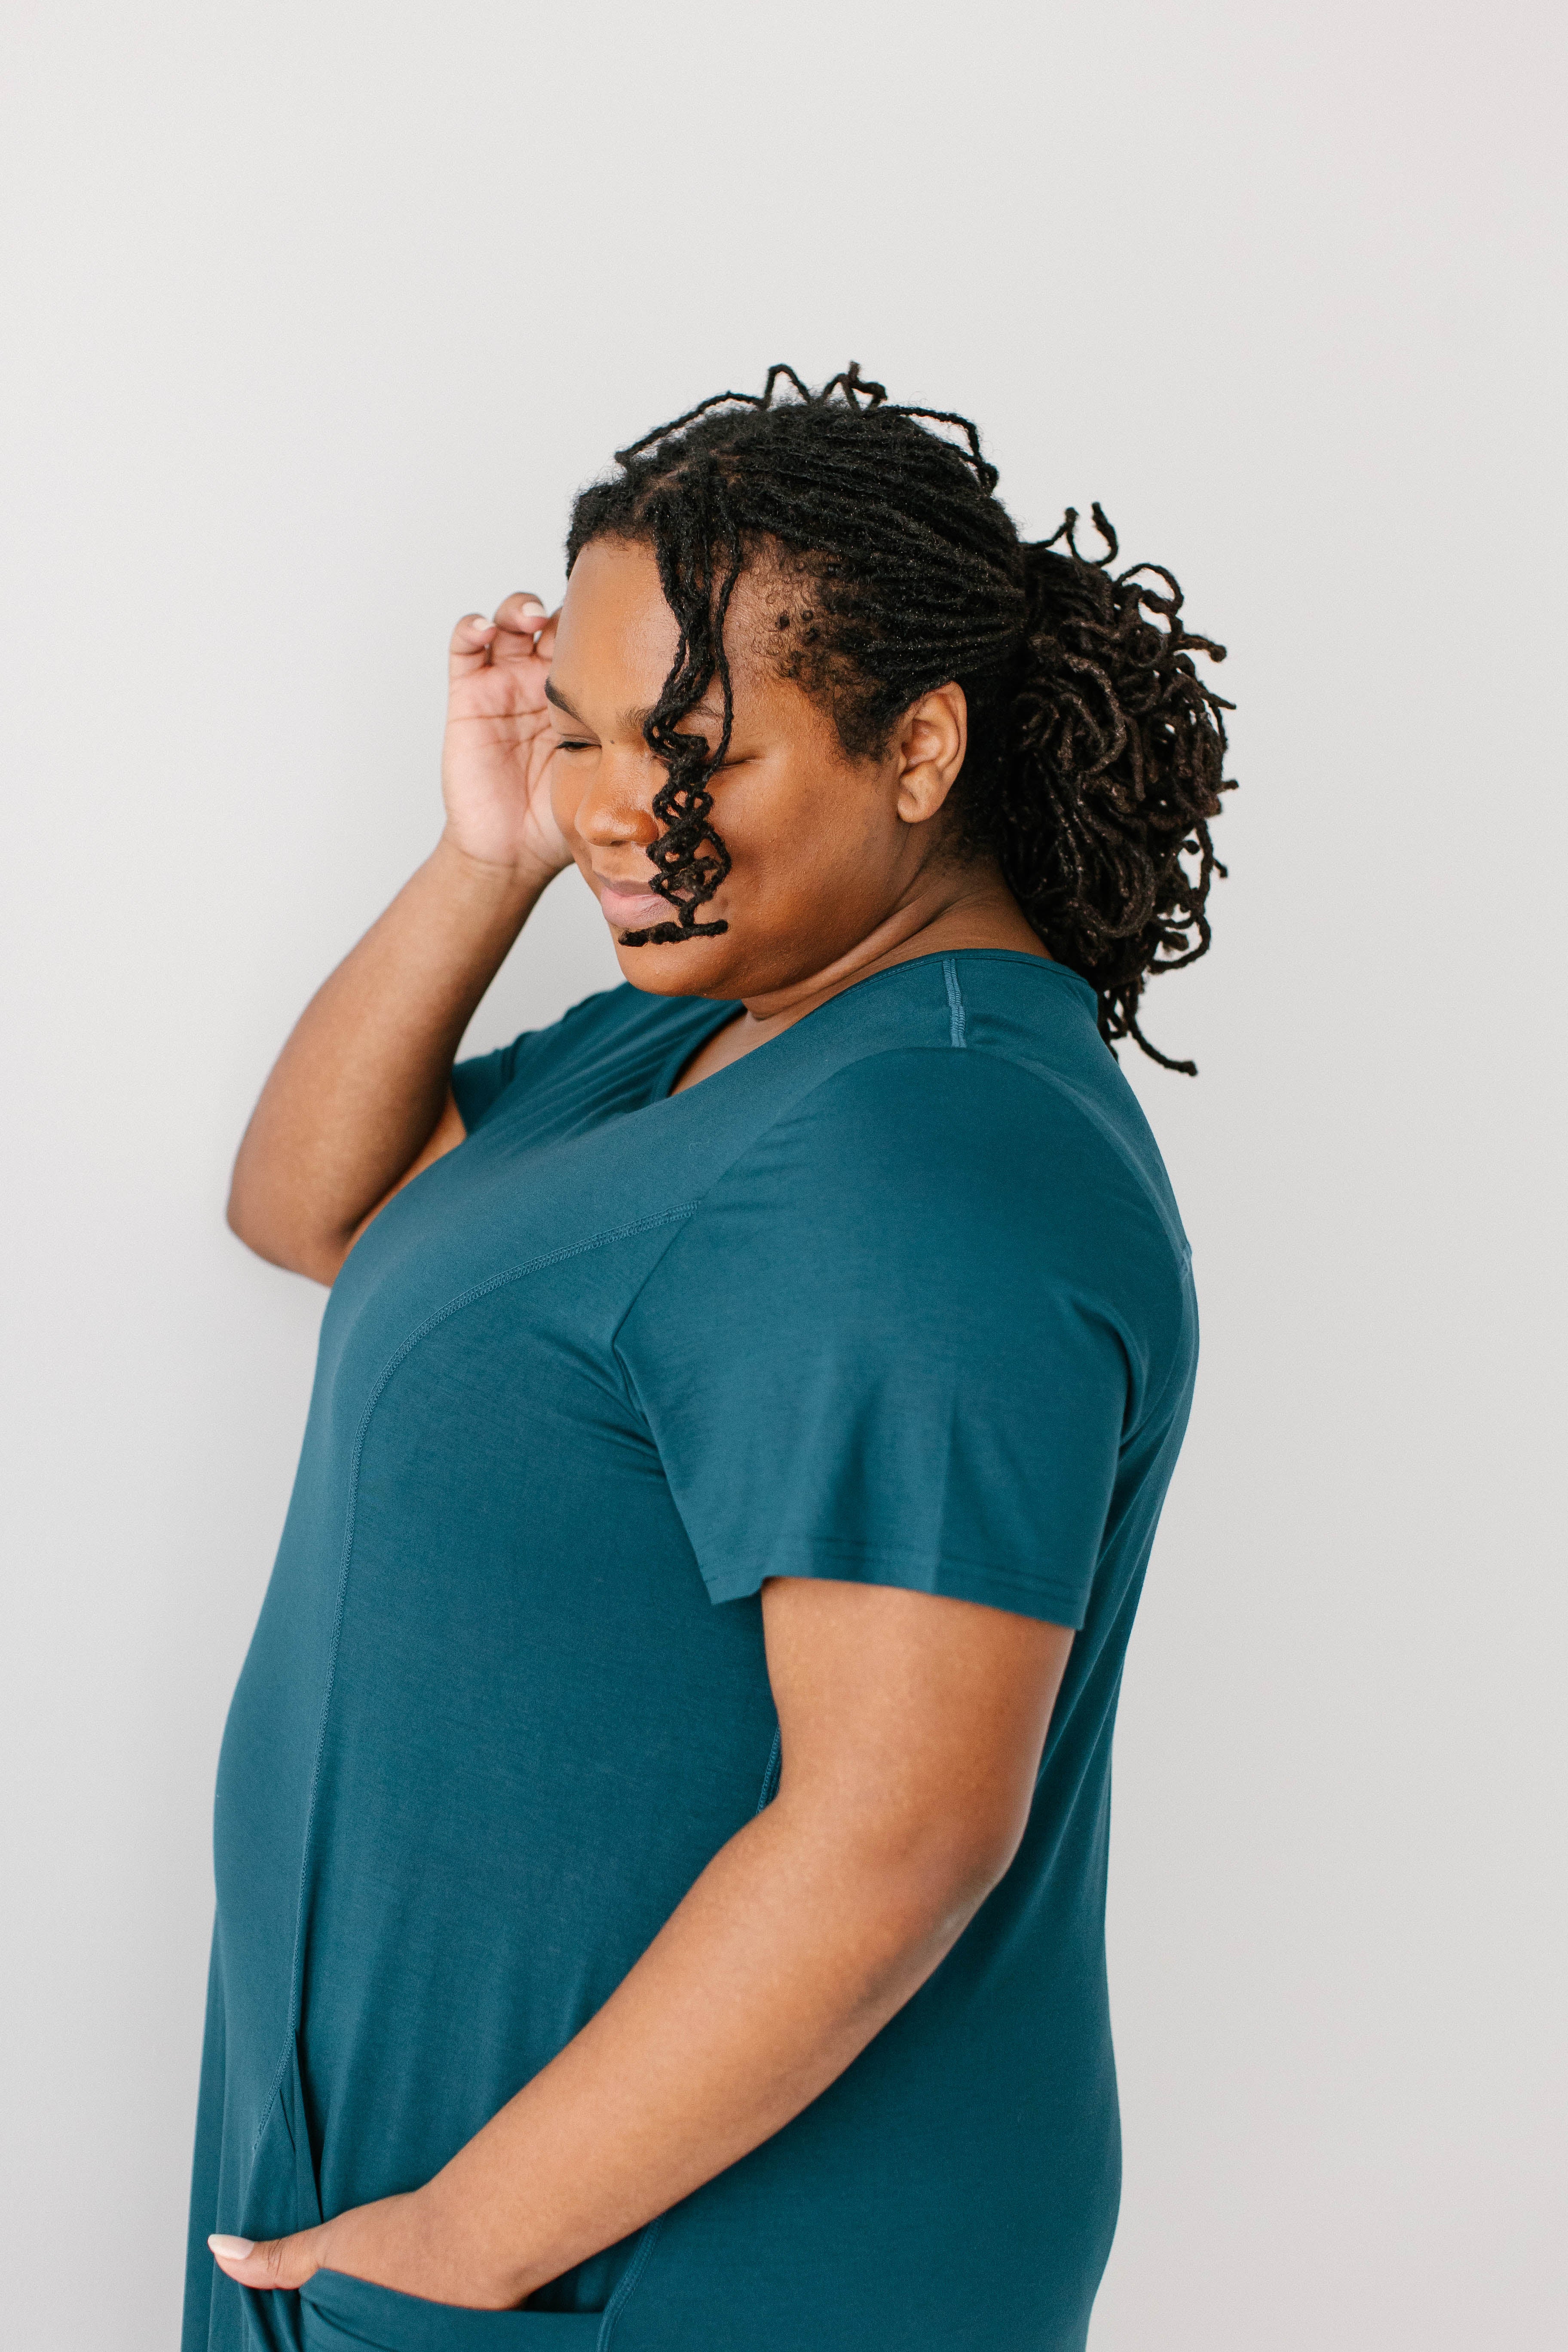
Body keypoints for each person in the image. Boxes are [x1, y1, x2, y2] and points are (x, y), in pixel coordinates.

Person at [187, 363, 1234, 2352]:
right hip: (505, 2232)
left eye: (687, 746)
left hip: (666, 2267)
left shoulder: (927, 1157)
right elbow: (313, 1207)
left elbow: (900, 1829)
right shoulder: (712, 1031)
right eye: (580, 737)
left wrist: (462, 2246)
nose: (612, 806)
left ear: (919, 745)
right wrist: (489, 857)